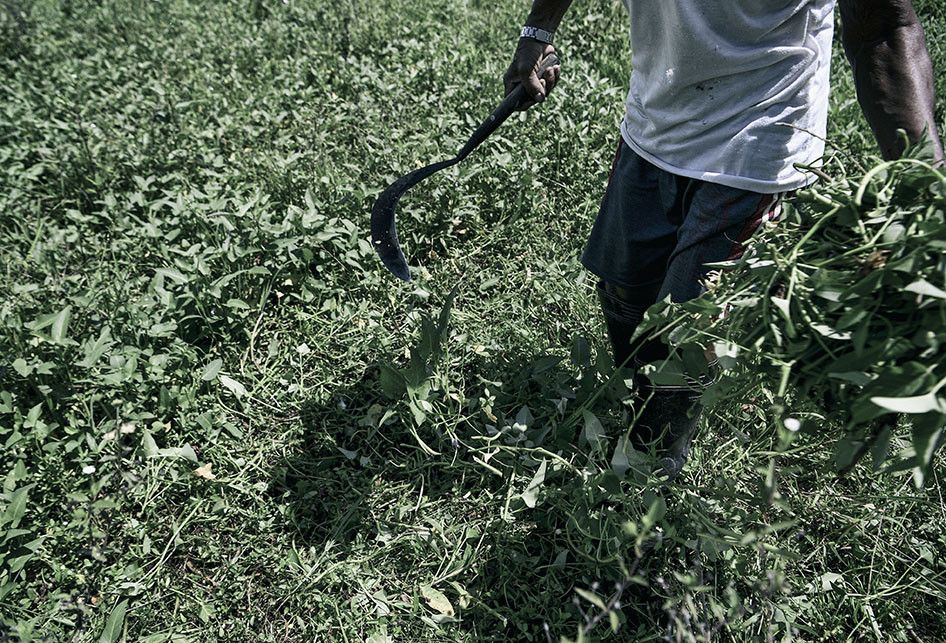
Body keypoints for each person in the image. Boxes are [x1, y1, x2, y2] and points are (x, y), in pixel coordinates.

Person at [504, 0, 944, 477]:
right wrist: (537, 30)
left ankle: (643, 487)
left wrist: (928, 185)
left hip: (759, 139)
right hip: (656, 115)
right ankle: (641, 413)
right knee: (625, 290)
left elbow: (882, 26)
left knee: (685, 333)